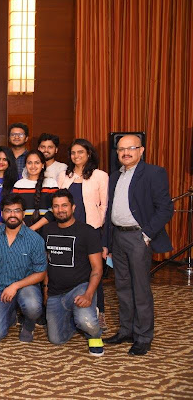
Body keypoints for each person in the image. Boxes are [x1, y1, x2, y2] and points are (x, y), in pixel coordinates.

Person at [102, 134, 174, 355]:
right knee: (122, 287)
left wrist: (147, 234)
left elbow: (165, 209)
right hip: (118, 237)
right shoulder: (115, 175)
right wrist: (107, 243)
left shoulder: (154, 173)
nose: (125, 153)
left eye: (131, 148)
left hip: (138, 237)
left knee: (140, 289)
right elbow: (109, 210)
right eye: (121, 149)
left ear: (141, 150)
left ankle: (143, 337)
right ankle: (126, 331)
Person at [0, 194, 47, 342]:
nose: (12, 214)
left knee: (33, 306)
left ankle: (29, 324)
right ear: (2, 214)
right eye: (8, 210)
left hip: (26, 286)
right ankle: (11, 314)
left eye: (17, 210)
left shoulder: (35, 239)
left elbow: (40, 273)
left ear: (23, 213)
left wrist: (15, 286)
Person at [41, 189, 104, 356]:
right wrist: (46, 289)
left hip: (80, 288)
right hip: (55, 292)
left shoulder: (87, 231)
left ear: (73, 207)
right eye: (56, 206)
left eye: (64, 205)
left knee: (87, 322)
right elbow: (46, 263)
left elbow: (97, 268)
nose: (60, 210)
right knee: (56, 339)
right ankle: (76, 320)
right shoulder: (47, 230)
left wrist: (89, 294)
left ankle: (94, 334)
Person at [57, 138, 109, 329]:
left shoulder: (100, 176)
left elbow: (105, 206)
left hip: (91, 231)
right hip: (67, 231)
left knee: (95, 271)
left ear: (89, 154)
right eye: (73, 152)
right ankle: (69, 311)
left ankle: (99, 312)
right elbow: (58, 203)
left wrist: (102, 237)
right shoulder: (64, 175)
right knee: (69, 270)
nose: (76, 156)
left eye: (80, 152)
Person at [12, 150, 58, 230]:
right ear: (25, 165)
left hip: (47, 229)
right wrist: (25, 229)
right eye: (29, 163)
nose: (33, 166)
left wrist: (32, 229)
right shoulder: (19, 185)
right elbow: (14, 209)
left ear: (42, 165)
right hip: (23, 229)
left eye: (37, 163)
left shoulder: (51, 183)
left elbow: (54, 210)